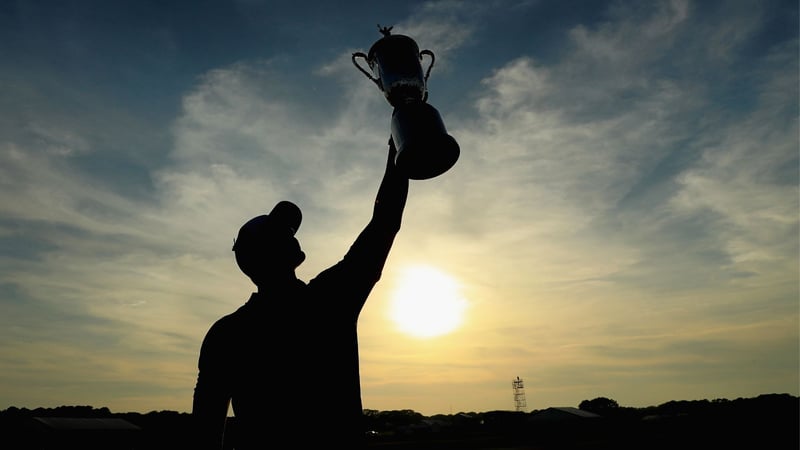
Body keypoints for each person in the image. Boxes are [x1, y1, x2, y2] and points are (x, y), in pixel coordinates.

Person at [192, 138, 409, 449]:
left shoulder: (225, 333)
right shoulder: (329, 300)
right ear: (276, 253)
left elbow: (205, 432)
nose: (291, 235)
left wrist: (400, 141)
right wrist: (399, 141)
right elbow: (385, 221)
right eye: (280, 234)